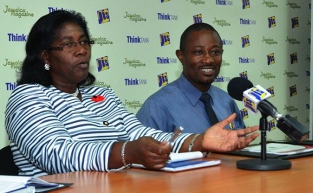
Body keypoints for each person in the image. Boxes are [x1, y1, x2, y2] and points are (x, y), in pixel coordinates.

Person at [5, 10, 259, 177]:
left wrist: (198, 141)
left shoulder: (101, 95)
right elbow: (56, 155)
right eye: (69, 44)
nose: (81, 50)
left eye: (84, 42)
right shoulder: (28, 97)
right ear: (45, 56)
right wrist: (126, 152)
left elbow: (141, 134)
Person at [137, 23, 244, 133]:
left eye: (215, 52)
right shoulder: (157, 107)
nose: (208, 60)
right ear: (181, 56)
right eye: (198, 52)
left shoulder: (226, 101)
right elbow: (138, 149)